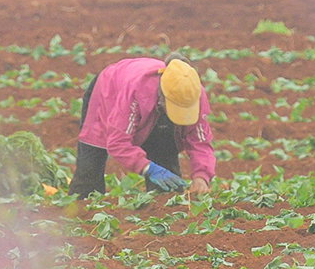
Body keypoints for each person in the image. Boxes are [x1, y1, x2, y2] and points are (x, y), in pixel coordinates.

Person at [68, 54, 216, 197]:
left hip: (154, 107)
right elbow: (118, 142)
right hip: (108, 92)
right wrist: (147, 167)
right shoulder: (137, 90)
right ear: (163, 99)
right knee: (89, 172)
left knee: (168, 190)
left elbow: (200, 141)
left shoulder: (193, 93)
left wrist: (201, 177)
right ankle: (79, 210)